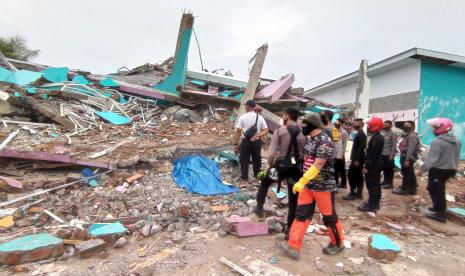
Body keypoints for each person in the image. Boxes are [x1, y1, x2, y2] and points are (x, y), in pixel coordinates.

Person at [277, 112, 344, 259]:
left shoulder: (325, 141)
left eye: (305, 124)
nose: (302, 127)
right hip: (308, 186)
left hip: (323, 187)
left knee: (329, 217)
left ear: (313, 124)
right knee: (301, 215)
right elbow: (307, 160)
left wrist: (302, 180)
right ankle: (293, 246)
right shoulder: (310, 140)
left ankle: (338, 243)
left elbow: (319, 163)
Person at [253, 107, 306, 237]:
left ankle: (259, 208)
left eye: (284, 115)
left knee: (265, 182)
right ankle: (289, 227)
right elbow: (305, 153)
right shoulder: (303, 133)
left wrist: (268, 166)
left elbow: (271, 154)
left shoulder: (280, 131)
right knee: (294, 196)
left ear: (287, 116)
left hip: (281, 166)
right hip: (297, 168)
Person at [420, 118, 461, 223]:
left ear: (440, 128)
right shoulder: (456, 141)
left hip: (439, 170)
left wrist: (423, 169)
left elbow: (432, 159)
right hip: (451, 169)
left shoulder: (437, 142)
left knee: (437, 190)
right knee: (434, 188)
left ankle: (440, 214)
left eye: (434, 127)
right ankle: (437, 207)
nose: (433, 129)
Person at [233, 100, 268, 187]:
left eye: (246, 106)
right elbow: (266, 130)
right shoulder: (259, 117)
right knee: (257, 160)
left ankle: (244, 180)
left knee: (244, 160)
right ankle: (258, 179)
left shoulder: (243, 117)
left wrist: (235, 144)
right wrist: (257, 135)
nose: (245, 107)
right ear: (254, 107)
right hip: (256, 142)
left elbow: (238, 132)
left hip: (246, 141)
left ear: (248, 107)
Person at [358, 117, 384, 212]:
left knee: (372, 185)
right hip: (376, 163)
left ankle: (371, 205)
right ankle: (375, 204)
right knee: (376, 184)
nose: (368, 127)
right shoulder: (378, 137)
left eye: (370, 125)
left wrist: (366, 166)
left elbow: (372, 154)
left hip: (373, 165)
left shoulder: (376, 138)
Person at [393, 121, 420, 195]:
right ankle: (412, 189)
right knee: (410, 173)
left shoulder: (412, 136)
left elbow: (411, 148)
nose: (405, 127)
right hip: (405, 156)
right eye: (404, 125)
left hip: (408, 157)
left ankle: (405, 189)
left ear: (413, 127)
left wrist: (407, 159)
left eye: (408, 125)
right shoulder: (407, 135)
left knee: (406, 173)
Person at [343, 119, 367, 201]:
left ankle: (352, 193)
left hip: (357, 159)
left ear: (360, 125)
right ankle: (359, 194)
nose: (353, 125)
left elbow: (361, 148)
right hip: (357, 158)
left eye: (355, 124)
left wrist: (356, 160)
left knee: (351, 175)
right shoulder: (359, 134)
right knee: (359, 175)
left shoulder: (361, 135)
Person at [381, 120, 398, 189]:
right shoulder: (383, 133)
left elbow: (394, 145)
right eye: (384, 125)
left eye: (386, 125)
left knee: (389, 169)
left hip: (389, 154)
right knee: (384, 168)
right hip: (383, 154)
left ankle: (390, 183)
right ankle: (385, 180)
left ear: (390, 126)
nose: (385, 126)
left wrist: (392, 155)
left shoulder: (393, 134)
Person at [334, 118, 348, 189]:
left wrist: (342, 154)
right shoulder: (336, 131)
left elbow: (343, 144)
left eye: (337, 122)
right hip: (336, 154)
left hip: (340, 154)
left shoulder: (343, 132)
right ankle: (337, 183)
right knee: (336, 169)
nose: (336, 123)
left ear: (341, 123)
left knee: (341, 170)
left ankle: (343, 183)